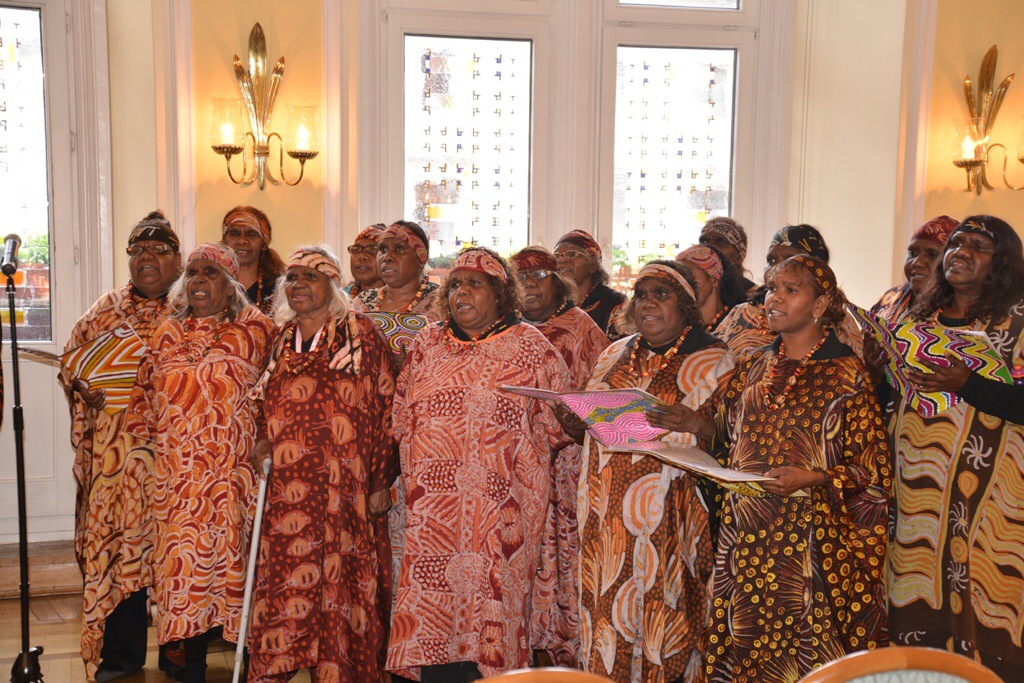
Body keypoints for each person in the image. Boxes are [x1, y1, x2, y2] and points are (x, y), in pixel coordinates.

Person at [699, 255, 891, 682]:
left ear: (821, 304)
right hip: (746, 533)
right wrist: (689, 424)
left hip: (810, 538)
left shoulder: (848, 375)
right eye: (771, 289)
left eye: (790, 290)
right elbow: (721, 432)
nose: (775, 298)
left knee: (806, 646)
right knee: (745, 635)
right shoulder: (752, 368)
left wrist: (816, 477)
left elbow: (873, 469)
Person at [387, 247, 570, 682]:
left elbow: (560, 426)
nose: (461, 293)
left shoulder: (531, 348)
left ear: (501, 293)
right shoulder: (428, 342)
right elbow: (400, 414)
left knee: (492, 609)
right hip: (432, 514)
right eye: (455, 285)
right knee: (433, 606)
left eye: (475, 284)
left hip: (500, 515)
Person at [567, 259, 734, 682]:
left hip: (671, 516)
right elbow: (591, 420)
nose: (648, 303)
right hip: (606, 521)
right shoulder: (613, 353)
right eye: (641, 294)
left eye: (662, 293)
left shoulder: (714, 357)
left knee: (666, 615)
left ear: (686, 304)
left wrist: (698, 425)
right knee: (608, 613)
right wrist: (572, 415)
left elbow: (738, 440)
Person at [123, 243, 276, 682]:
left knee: (238, 568)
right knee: (182, 573)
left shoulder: (258, 329)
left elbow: (277, 397)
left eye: (209, 273)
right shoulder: (166, 333)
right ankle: (191, 666)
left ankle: (246, 668)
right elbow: (144, 403)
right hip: (179, 481)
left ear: (230, 286)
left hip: (233, 478)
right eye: (191, 273)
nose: (197, 281)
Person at [246, 246, 398, 682]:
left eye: (309, 278)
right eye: (291, 278)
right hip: (286, 490)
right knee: (285, 582)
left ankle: (337, 670)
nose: (298, 286)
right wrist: (260, 441)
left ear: (331, 287)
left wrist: (379, 480)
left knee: (339, 582)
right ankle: (280, 661)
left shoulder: (359, 334)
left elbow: (386, 407)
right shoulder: (280, 337)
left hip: (341, 488)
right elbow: (261, 402)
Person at [888, 215, 1024, 680]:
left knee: (985, 594)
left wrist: (970, 383)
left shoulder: (1018, 322)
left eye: (979, 246)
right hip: (917, 486)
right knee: (917, 583)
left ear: (1002, 262)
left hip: (992, 495)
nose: (960, 252)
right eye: (957, 243)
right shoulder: (916, 317)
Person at [60, 210, 181, 681]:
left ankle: (178, 654)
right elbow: (71, 363)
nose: (147, 258)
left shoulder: (192, 306)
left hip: (175, 461)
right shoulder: (105, 308)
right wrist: (83, 389)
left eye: (159, 250)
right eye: (137, 250)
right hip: (116, 467)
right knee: (119, 551)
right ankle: (122, 657)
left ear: (177, 258)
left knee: (175, 554)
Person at [510, 246, 610, 667]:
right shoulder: (505, 331)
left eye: (539, 276)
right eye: (520, 278)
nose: (529, 285)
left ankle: (565, 656)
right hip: (516, 462)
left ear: (559, 282)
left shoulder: (581, 328)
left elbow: (605, 392)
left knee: (563, 555)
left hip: (567, 463)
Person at [714, 224, 863, 361]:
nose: (777, 266)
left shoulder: (840, 322)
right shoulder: (741, 312)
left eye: (790, 259)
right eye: (771, 260)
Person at [870, 215, 958, 324]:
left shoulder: (960, 310)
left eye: (932, 254)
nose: (917, 263)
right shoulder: (890, 299)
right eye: (912, 253)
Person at [354, 220, 439, 318]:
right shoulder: (362, 302)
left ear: (421, 258)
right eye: (383, 249)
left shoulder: (441, 302)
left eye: (399, 249)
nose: (387, 257)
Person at [554, 229, 626, 338]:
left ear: (592, 264)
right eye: (557, 256)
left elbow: (619, 350)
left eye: (572, 254)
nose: (562, 260)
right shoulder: (552, 302)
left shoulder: (615, 301)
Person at [222, 205, 285, 314]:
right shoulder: (214, 283)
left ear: (264, 244)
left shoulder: (279, 287)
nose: (242, 241)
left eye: (251, 234)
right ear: (224, 241)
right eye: (234, 233)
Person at [676, 243, 748, 332]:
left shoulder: (740, 323)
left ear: (713, 279)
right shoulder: (677, 327)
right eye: (677, 278)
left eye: (688, 276)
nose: (682, 283)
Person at [698, 216, 757, 294]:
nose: (709, 248)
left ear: (739, 255)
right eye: (704, 242)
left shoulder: (755, 298)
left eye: (721, 243)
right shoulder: (691, 292)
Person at [346, 223, 387, 297]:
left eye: (372, 250)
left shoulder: (399, 299)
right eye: (356, 249)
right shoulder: (339, 298)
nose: (362, 256)